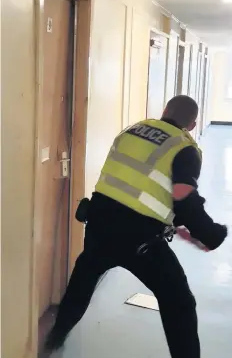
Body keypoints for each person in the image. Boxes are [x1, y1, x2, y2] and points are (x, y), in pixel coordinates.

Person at [45, 95, 227, 358]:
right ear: (193, 124)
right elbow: (184, 199)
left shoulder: (132, 130)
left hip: (99, 223)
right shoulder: (184, 148)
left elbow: (140, 185)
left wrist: (173, 222)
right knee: (179, 302)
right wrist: (211, 234)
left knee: (82, 281)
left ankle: (55, 337)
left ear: (165, 110)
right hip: (140, 239)